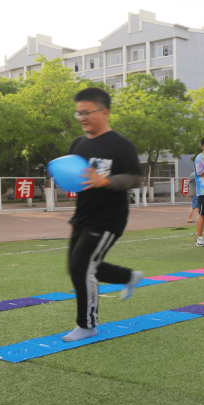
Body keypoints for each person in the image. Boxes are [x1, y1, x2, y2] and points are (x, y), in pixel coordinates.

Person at [62, 87, 143, 342]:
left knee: (81, 266)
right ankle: (128, 276)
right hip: (82, 214)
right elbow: (77, 175)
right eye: (78, 113)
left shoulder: (120, 145)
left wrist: (105, 180)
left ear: (104, 112)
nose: (82, 117)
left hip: (108, 218)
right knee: (79, 267)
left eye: (87, 112)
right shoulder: (78, 144)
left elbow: (136, 178)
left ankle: (87, 325)